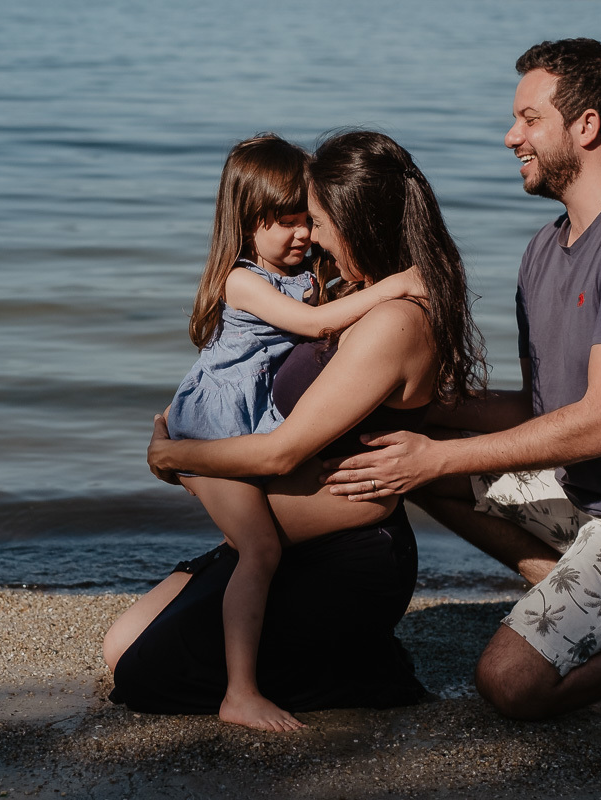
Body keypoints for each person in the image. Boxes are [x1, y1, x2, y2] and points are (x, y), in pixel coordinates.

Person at [320, 38, 601, 720]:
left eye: (529, 119)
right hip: (593, 498)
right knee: (400, 452)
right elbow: (541, 409)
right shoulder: (542, 250)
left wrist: (439, 453)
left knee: (510, 684)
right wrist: (420, 417)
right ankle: (569, 591)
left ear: (586, 126)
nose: (511, 136)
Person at [105, 130, 486, 725]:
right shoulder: (337, 294)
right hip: (284, 541)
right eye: (296, 219)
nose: (309, 234)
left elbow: (282, 454)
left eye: (314, 218)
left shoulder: (389, 318)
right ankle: (337, 652)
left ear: (354, 219)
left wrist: (174, 456)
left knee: (147, 677)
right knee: (121, 646)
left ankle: (353, 666)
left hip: (341, 555)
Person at [160, 133, 424, 731]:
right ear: (245, 224)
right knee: (260, 548)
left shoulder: (303, 273)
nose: (303, 235)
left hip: (244, 434)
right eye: (284, 223)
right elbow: (313, 322)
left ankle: (249, 662)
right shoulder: (244, 281)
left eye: (308, 221)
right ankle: (241, 692)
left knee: (253, 544)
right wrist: (397, 285)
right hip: (212, 429)